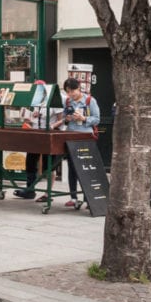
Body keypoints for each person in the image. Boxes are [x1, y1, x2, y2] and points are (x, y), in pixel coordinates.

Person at [50, 77, 100, 208]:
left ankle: (88, 198)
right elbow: (66, 120)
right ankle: (73, 197)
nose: (71, 94)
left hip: (85, 136)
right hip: (71, 135)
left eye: (73, 91)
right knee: (72, 168)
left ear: (79, 88)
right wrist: (67, 119)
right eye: (68, 91)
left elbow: (97, 119)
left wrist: (83, 118)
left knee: (86, 168)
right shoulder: (68, 101)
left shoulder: (90, 100)